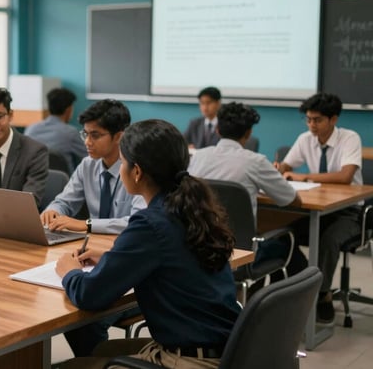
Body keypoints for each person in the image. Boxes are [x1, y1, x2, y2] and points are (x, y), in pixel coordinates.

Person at [54, 119, 240, 368]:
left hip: (189, 359)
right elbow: (169, 255)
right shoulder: (188, 207)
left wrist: (70, 272)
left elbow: (89, 295)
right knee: (100, 350)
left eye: (122, 162)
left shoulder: (150, 223)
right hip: (225, 348)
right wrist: (113, 255)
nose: (120, 169)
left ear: (137, 171)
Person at [274, 92, 362, 324]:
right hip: (318, 208)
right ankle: (300, 285)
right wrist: (279, 166)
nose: (311, 125)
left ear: (333, 119)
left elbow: (345, 176)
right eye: (308, 119)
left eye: (317, 120)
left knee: (328, 240)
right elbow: (286, 165)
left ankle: (322, 294)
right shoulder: (305, 139)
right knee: (281, 235)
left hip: (349, 212)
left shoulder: (349, 138)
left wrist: (305, 177)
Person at [188, 102, 300, 271]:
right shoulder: (256, 162)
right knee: (287, 245)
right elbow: (293, 200)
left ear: (217, 130)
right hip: (240, 251)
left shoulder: (198, 157)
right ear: (248, 133)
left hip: (198, 247)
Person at [40, 100, 145, 235]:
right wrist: (53, 211)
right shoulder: (87, 165)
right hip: (92, 243)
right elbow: (64, 202)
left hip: (125, 245)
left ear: (119, 136)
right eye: (85, 134)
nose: (87, 142)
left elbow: (138, 221)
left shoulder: (137, 169)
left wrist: (87, 224)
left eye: (95, 135)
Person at [24, 87, 87, 172]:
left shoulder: (30, 129)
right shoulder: (71, 133)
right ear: (69, 110)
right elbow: (91, 156)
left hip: (33, 181)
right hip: (63, 183)